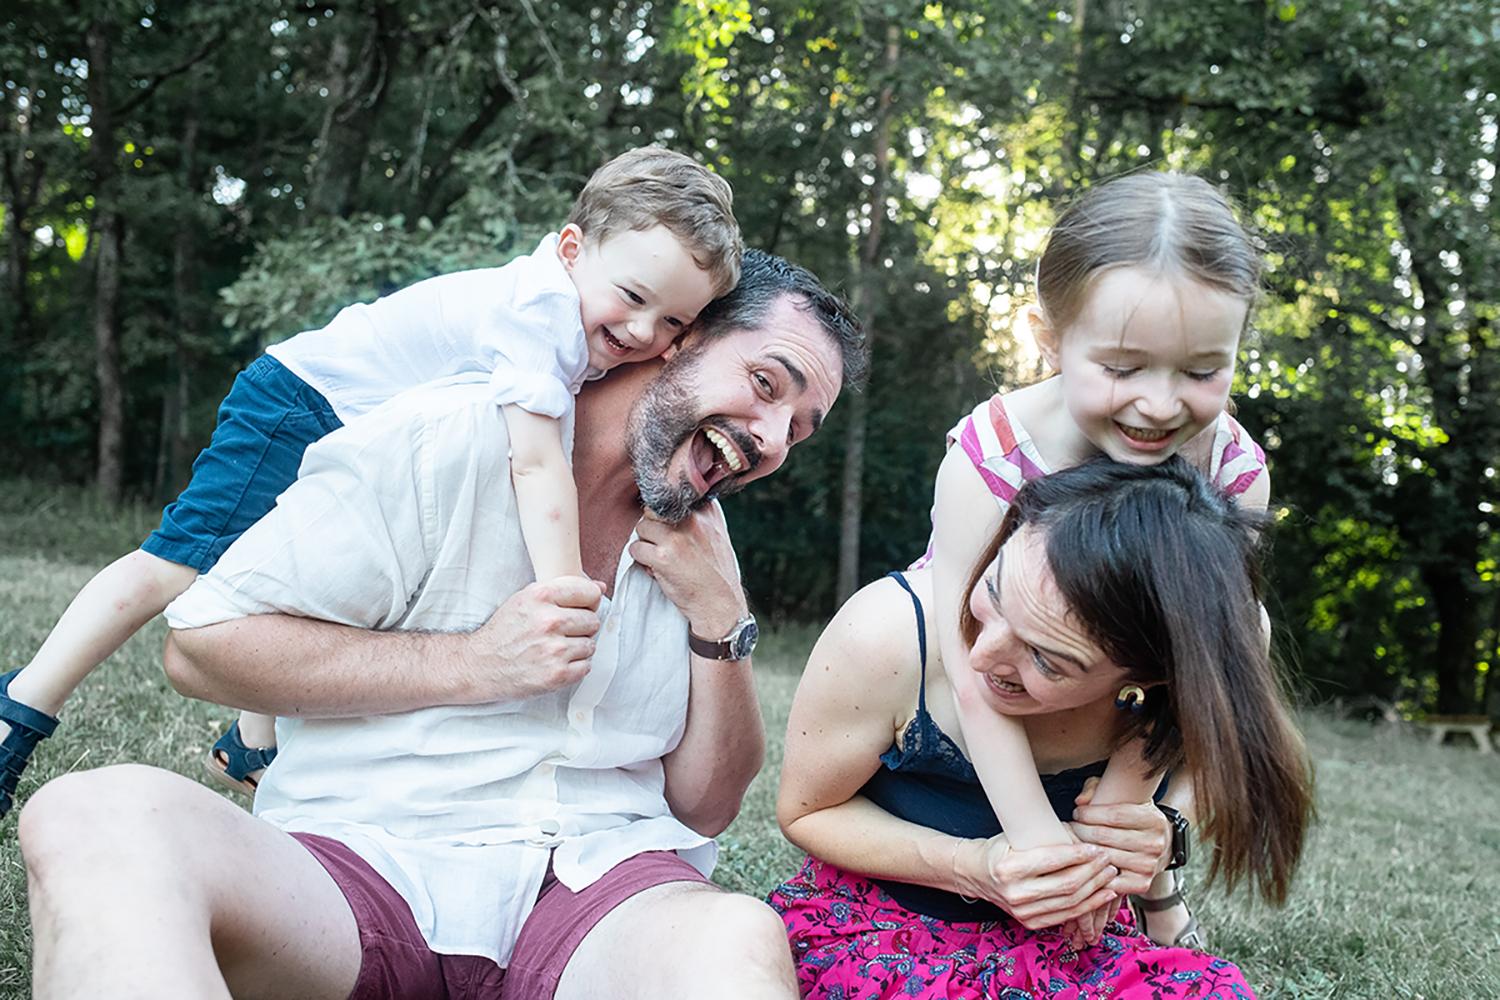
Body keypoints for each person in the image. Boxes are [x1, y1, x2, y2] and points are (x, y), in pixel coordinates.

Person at [19, 249, 867, 999]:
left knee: (735, 936)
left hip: (598, 904)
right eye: (765, 385)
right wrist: (475, 663)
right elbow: (203, 646)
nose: (770, 440)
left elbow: (709, 805)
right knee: (96, 815)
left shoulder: (702, 550)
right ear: (680, 336)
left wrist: (725, 622)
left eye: (798, 429)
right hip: (363, 872)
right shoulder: (445, 440)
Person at [0, 145, 741, 807]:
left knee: (301, 591)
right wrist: (564, 589)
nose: (645, 333)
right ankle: (22, 707)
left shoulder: (578, 314)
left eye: (674, 323)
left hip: (356, 429)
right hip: (303, 403)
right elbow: (536, 460)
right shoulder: (540, 311)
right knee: (179, 566)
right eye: (635, 299)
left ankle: (252, 744)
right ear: (573, 249)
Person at [770, 459, 1314, 998]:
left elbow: (1202, 768)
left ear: (1147, 677)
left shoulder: (1186, 680)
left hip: (1076, 948)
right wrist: (972, 866)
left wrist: (1169, 826)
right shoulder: (889, 633)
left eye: (1048, 660)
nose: (981, 656)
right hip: (876, 931)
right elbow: (807, 810)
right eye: (995, 594)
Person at [913, 171, 1273, 946]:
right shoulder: (995, 455)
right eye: (1121, 368)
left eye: (1203, 371)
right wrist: (1040, 844)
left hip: (1123, 688)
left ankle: (1146, 869)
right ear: (1048, 339)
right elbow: (968, 659)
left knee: (1255, 627)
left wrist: (1127, 808)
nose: (1158, 404)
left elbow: (1204, 659)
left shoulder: (1233, 472)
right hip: (987, 679)